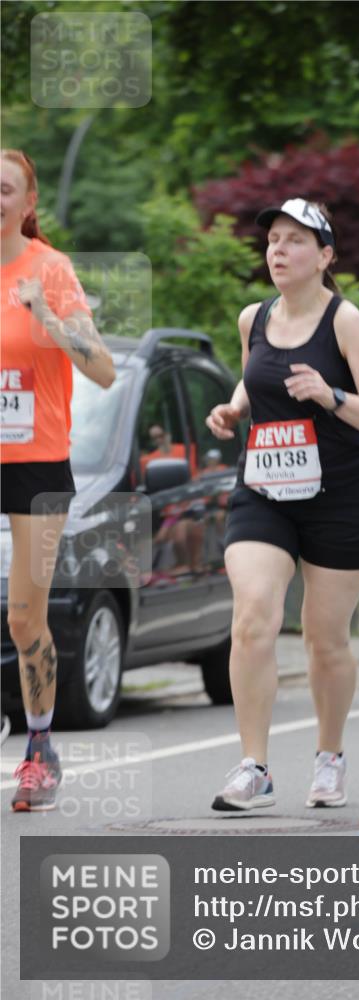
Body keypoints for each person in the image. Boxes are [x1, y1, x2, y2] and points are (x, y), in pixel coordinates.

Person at [206, 197, 359, 811]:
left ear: (325, 255)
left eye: (295, 241)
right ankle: (254, 767)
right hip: (264, 490)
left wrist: (330, 394)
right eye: (273, 241)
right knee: (254, 616)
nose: (278, 251)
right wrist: (236, 407)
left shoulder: (345, 322)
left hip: (338, 497)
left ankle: (329, 756)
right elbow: (255, 375)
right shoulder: (253, 318)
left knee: (324, 639)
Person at [1, 150, 116, 811]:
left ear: (28, 200)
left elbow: (101, 369)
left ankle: (40, 748)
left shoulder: (51, 269)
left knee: (24, 618)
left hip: (37, 463)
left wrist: (46, 314)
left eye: (4, 188)